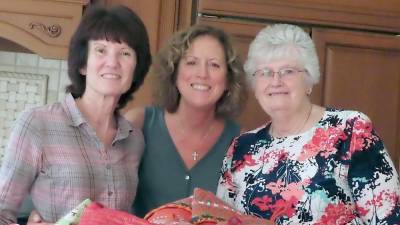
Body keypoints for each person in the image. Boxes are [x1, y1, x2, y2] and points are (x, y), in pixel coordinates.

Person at [216, 23, 400, 224]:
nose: (275, 81)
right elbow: (223, 221)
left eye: (287, 71)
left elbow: (389, 219)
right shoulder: (241, 148)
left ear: (309, 80)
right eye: (265, 72)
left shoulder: (351, 130)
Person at [0, 4, 151, 224]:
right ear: (82, 64)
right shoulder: (38, 123)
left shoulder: (134, 139)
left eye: (125, 53)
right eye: (101, 50)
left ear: (136, 69)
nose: (113, 63)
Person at [125, 24, 248, 217]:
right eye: (191, 62)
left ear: (228, 80)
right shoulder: (138, 123)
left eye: (214, 65)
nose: (202, 74)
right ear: (173, 71)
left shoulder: (241, 143)